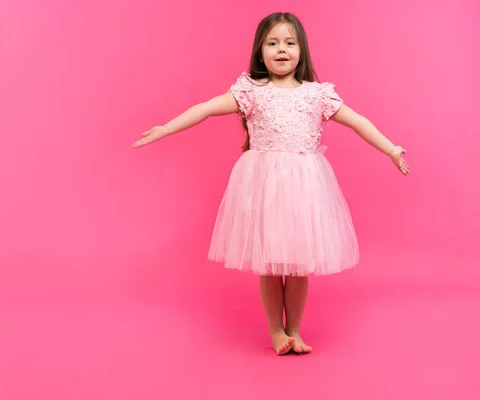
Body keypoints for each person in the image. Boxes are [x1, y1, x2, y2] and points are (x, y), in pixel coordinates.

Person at [132, 11, 409, 355]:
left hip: (304, 189)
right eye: (273, 43)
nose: (282, 50)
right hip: (265, 188)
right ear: (260, 51)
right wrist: (166, 128)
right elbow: (204, 108)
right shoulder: (252, 90)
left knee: (297, 266)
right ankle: (277, 332)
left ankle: (294, 330)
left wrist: (390, 148)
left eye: (290, 43)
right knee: (269, 262)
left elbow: (358, 122)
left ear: (301, 50)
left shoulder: (317, 94)